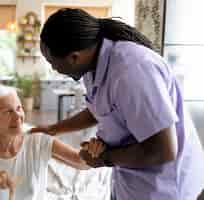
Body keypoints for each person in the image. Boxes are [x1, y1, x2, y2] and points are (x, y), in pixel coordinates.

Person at [30, 8, 204, 200]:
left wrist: (104, 158)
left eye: (52, 62)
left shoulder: (132, 71)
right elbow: (98, 109)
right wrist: (54, 129)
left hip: (163, 188)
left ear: (74, 56)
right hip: (130, 183)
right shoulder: (91, 66)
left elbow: (163, 149)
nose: (54, 69)